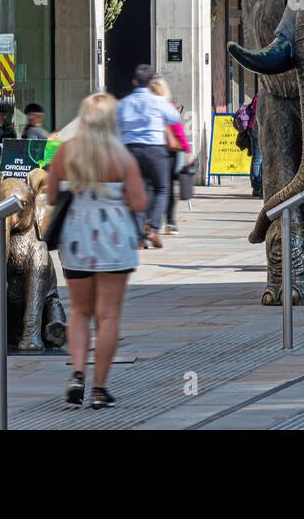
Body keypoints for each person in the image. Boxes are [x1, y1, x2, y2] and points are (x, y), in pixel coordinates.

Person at [46, 92, 147, 410]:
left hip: (77, 238)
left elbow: (50, 196)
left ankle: (77, 373)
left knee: (80, 311)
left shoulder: (66, 151)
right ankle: (100, 389)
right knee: (108, 315)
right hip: (115, 241)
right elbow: (140, 202)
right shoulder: (123, 157)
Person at [117, 64, 181, 250]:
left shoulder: (124, 103)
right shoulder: (158, 102)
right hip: (154, 149)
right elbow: (174, 118)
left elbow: (116, 126)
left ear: (134, 81)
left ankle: (139, 237)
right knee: (162, 188)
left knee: (136, 191)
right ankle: (152, 227)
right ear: (151, 82)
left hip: (130, 150)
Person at [148, 77, 191, 235]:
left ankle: (163, 222)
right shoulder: (165, 105)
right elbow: (178, 129)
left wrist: (186, 149)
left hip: (163, 150)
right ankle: (165, 223)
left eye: (154, 88)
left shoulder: (159, 105)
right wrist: (187, 149)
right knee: (164, 188)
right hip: (164, 150)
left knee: (162, 187)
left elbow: (178, 129)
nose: (152, 91)